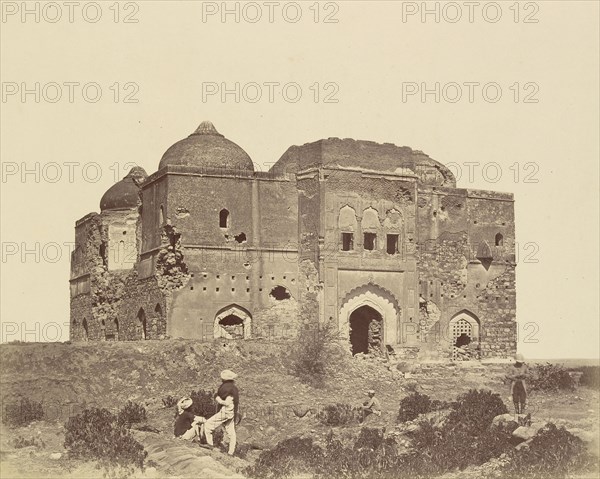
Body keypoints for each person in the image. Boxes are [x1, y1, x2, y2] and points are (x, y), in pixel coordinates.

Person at [203, 369, 239, 455]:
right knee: (231, 433)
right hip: (231, 413)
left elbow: (226, 402)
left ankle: (210, 444)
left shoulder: (225, 388)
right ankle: (231, 452)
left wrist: (217, 398)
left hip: (225, 412)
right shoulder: (234, 388)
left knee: (208, 425)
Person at [507, 353, 529, 422]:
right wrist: (514, 376)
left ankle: (522, 414)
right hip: (515, 384)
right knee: (515, 399)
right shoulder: (512, 367)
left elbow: (528, 374)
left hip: (522, 384)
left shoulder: (524, 367)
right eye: (518, 362)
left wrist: (524, 375)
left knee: (523, 399)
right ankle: (517, 414)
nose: (519, 364)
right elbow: (507, 375)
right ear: (516, 361)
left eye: (520, 363)